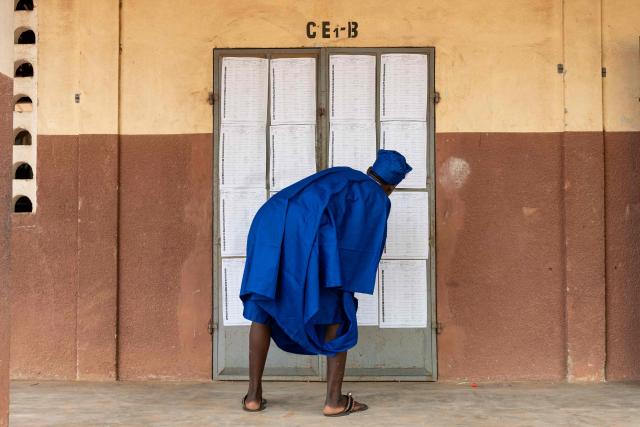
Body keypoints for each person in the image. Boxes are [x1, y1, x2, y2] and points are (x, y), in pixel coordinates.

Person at [240, 149, 412, 417]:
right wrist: (342, 285)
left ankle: (252, 397)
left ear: (370, 169)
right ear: (391, 187)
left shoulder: (342, 174)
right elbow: (357, 249)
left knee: (264, 304)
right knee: (339, 312)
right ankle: (334, 401)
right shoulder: (377, 197)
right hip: (306, 233)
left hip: (271, 221)